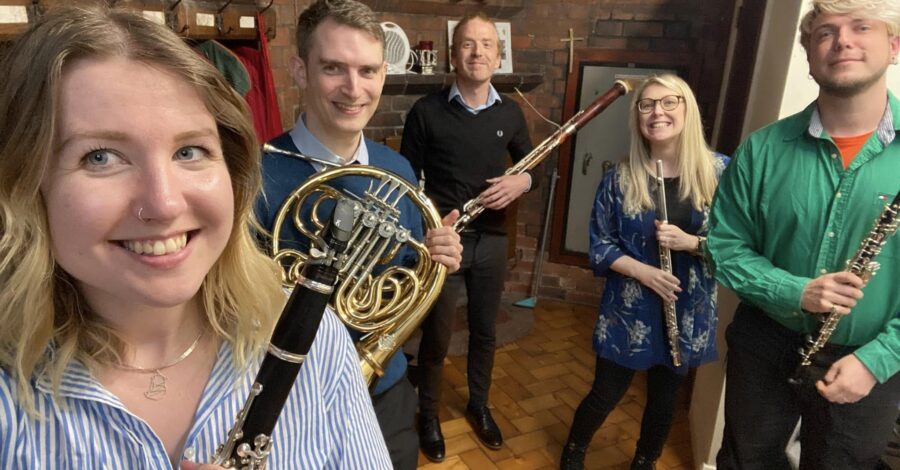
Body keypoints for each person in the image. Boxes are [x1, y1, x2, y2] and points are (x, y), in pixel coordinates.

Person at [0, 6, 391, 469]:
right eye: (101, 157)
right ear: (25, 187)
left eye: (190, 150)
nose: (164, 204)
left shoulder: (316, 338)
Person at [253, 1, 462, 468]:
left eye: (367, 70)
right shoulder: (258, 177)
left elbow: (403, 279)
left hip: (384, 390)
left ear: (383, 75)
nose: (354, 88)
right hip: (294, 397)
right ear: (301, 70)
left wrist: (432, 256)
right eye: (333, 68)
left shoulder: (398, 169)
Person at [708, 0, 900, 468]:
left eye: (861, 27)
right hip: (765, 342)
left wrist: (878, 358)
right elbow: (723, 246)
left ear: (894, 46)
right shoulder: (763, 149)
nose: (843, 41)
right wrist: (797, 291)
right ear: (810, 57)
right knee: (745, 460)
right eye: (826, 32)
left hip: (871, 355)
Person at [557, 74, 728, 470]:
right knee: (605, 391)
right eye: (647, 104)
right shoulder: (619, 177)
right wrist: (644, 272)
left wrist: (691, 243)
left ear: (687, 109)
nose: (657, 112)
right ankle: (573, 452)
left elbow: (738, 247)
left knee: (665, 399)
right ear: (637, 117)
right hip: (628, 310)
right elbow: (601, 245)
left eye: (669, 102)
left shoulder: (720, 172)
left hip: (686, 308)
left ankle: (644, 460)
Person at [400, 12, 535, 462]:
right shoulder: (426, 111)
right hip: (446, 244)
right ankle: (429, 415)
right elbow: (405, 179)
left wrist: (524, 181)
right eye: (467, 45)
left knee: (484, 331)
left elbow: (536, 163)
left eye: (486, 45)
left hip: (492, 241)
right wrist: (429, 228)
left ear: (498, 56)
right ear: (453, 55)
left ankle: (479, 404)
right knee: (436, 337)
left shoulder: (511, 113)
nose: (477, 53)